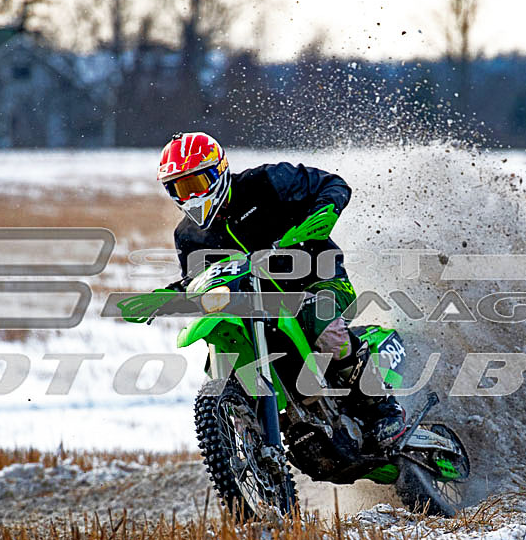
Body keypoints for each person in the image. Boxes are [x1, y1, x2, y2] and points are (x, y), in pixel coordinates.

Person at [156, 131, 407, 449]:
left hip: (319, 280)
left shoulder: (265, 183)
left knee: (320, 320)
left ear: (218, 171)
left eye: (195, 183)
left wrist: (325, 211)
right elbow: (198, 278)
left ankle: (384, 409)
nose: (190, 195)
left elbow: (331, 184)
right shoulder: (189, 235)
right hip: (255, 308)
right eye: (179, 187)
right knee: (231, 345)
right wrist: (174, 293)